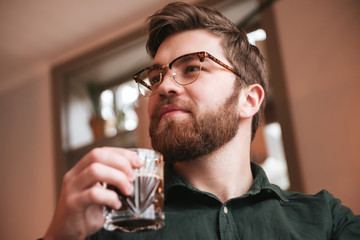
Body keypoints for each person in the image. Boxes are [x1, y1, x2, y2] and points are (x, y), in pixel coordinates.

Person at [42, 2, 360, 240]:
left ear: (248, 100)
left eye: (192, 68)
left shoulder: (325, 219)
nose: (163, 86)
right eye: (155, 77)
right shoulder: (112, 222)